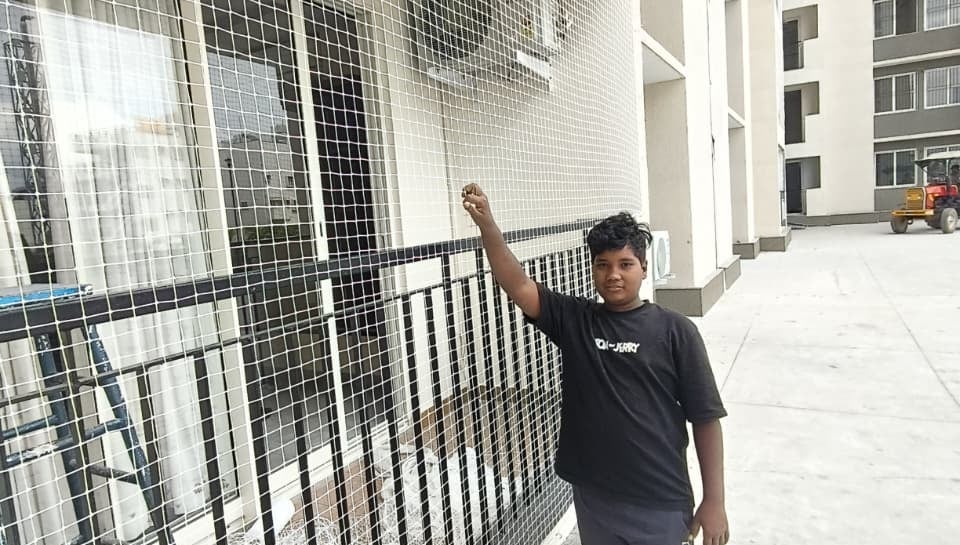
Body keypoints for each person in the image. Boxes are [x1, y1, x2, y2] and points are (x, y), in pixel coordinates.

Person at [462, 183, 729, 545]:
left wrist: (714, 500)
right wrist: (488, 227)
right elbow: (518, 283)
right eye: (602, 265)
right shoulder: (576, 320)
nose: (613, 274)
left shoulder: (675, 332)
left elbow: (705, 417)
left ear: (644, 268)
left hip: (659, 503)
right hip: (594, 498)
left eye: (625, 264)